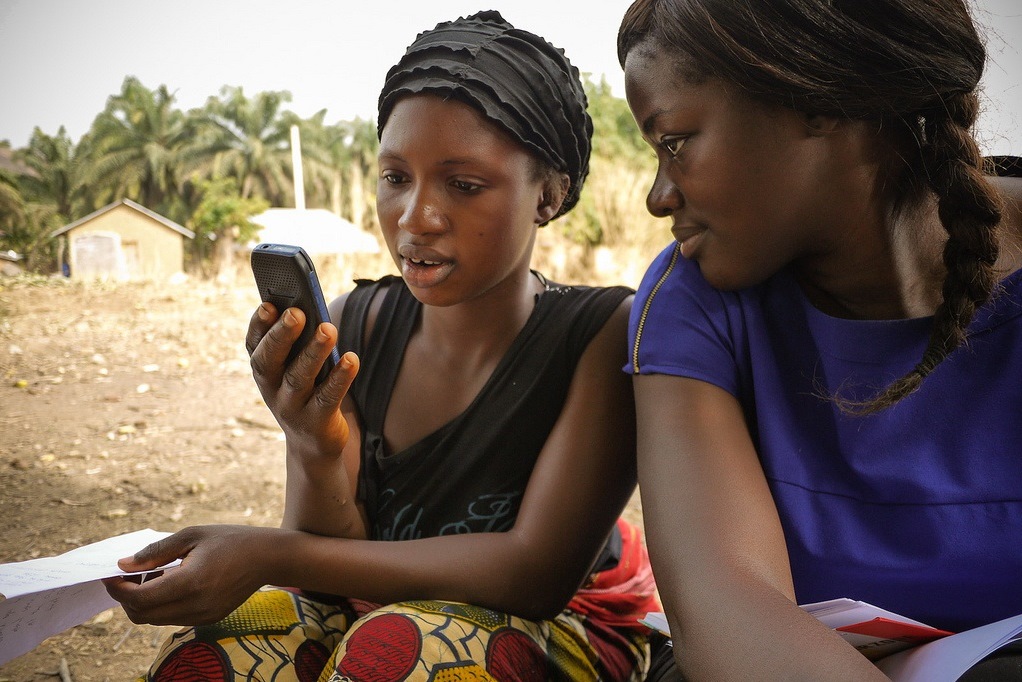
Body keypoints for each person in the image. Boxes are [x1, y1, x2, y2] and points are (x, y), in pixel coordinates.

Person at [103, 10, 659, 681]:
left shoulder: (601, 334)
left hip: (564, 626)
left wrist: (267, 554)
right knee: (218, 651)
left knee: (396, 653)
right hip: (379, 615)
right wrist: (315, 444)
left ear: (550, 193)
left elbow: (534, 576)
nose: (415, 217)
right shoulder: (356, 322)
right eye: (396, 176)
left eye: (463, 184)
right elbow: (330, 572)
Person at [616, 0, 1022, 680]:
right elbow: (724, 610)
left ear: (816, 99)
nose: (659, 196)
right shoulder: (692, 303)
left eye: (676, 142)